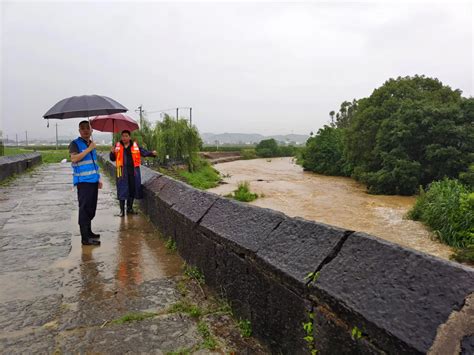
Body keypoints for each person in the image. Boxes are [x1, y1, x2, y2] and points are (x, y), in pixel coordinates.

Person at [69, 120, 102, 246]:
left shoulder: (91, 143)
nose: (85, 130)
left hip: (93, 181)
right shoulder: (75, 144)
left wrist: (98, 178)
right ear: (79, 131)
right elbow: (74, 158)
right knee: (84, 209)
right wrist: (89, 149)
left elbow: (94, 164)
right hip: (83, 182)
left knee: (91, 208)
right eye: (82, 128)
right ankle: (85, 238)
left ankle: (89, 232)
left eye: (87, 128)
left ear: (91, 130)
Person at [109, 130, 156, 216]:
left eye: (126, 136)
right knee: (122, 190)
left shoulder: (135, 146)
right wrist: (112, 152)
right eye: (123, 136)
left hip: (133, 172)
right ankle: (122, 210)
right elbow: (112, 158)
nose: (124, 138)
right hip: (122, 172)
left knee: (132, 189)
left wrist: (152, 153)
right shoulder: (117, 146)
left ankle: (129, 208)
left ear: (129, 137)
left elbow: (143, 152)